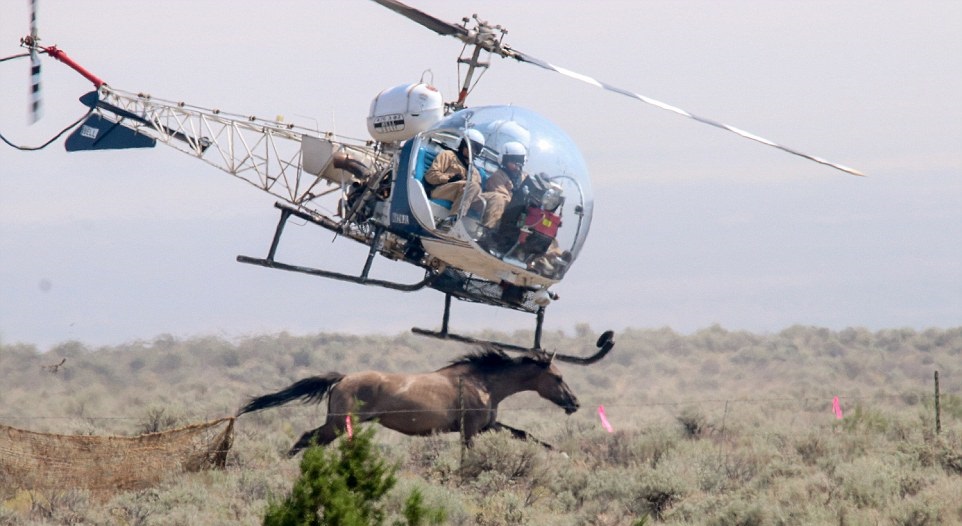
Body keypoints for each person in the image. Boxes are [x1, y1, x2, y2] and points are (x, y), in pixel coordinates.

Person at [423, 128, 485, 228]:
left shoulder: (475, 171)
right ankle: (451, 222)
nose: (472, 151)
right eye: (470, 147)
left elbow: (475, 191)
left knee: (487, 200)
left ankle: (482, 231)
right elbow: (430, 176)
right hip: (441, 190)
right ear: (462, 144)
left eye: (476, 149)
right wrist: (449, 178)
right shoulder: (448, 155)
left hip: (463, 195)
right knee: (472, 186)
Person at [481, 141, 527, 230]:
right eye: (512, 161)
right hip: (497, 205)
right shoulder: (499, 175)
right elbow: (503, 197)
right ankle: (488, 231)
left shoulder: (524, 177)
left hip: (517, 210)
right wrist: (513, 192)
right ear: (505, 161)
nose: (515, 164)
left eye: (518, 161)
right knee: (499, 199)